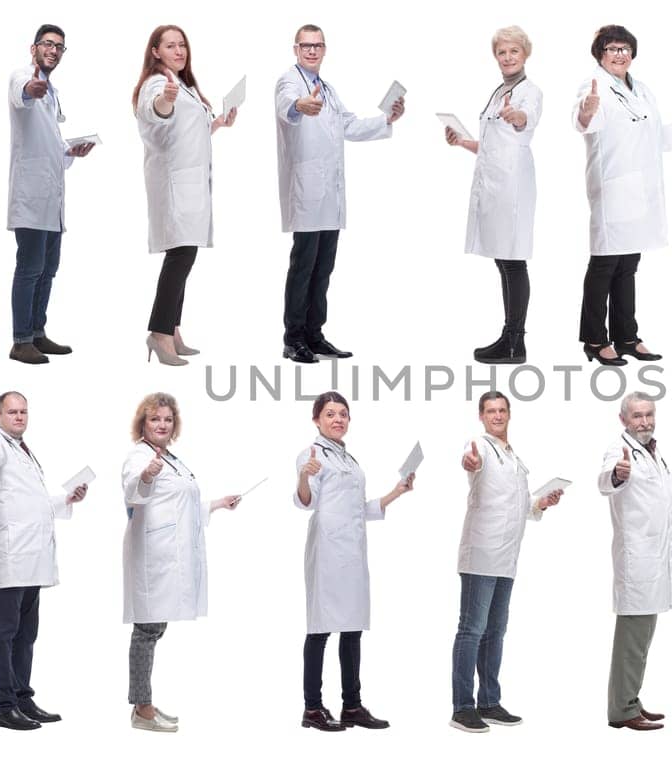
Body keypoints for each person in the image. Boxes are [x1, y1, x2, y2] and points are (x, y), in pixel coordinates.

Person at [275, 25, 404, 364]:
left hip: (329, 196)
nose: (312, 51)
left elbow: (348, 125)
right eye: (306, 46)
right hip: (306, 192)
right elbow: (287, 107)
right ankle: (293, 339)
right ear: (296, 49)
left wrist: (386, 118)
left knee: (323, 268)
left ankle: (315, 335)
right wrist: (300, 106)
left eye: (317, 46)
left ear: (324, 49)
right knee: (303, 266)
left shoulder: (328, 90)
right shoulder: (289, 82)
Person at [574, 25, 672, 366]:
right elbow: (584, 121)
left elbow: (652, 134)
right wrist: (587, 109)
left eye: (625, 48)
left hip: (640, 190)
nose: (620, 54)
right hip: (613, 187)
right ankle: (594, 340)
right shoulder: (592, 86)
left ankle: (627, 336)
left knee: (629, 265)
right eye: (613, 49)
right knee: (604, 265)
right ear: (600, 54)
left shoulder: (641, 89)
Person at [120, 392, 242, 731]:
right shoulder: (138, 457)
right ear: (142, 423)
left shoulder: (171, 457)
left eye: (167, 419)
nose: (162, 424)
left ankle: (145, 704)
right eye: (155, 419)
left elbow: (182, 504)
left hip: (168, 552)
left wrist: (217, 504)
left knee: (154, 628)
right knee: (146, 630)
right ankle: (141, 709)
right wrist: (145, 475)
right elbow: (132, 492)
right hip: (153, 555)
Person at [293, 391, 414, 730]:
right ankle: (312, 708)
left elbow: (360, 509)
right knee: (320, 629)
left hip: (353, 553)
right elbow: (306, 502)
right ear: (317, 419)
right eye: (330, 414)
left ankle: (352, 706)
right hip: (328, 552)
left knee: (352, 629)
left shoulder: (349, 459)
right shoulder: (313, 454)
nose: (338, 419)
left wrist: (398, 491)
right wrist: (303, 476)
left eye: (343, 414)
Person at [448, 391, 563, 733]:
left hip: (507, 558)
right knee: (471, 631)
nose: (497, 416)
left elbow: (520, 506)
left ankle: (489, 702)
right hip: (481, 555)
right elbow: (471, 464)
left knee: (495, 632)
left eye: (502, 410)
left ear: (509, 414)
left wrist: (542, 502)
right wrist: (470, 464)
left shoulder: (514, 457)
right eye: (490, 411)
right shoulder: (479, 446)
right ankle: (462, 707)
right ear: (481, 416)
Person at [597, 391, 672, 731]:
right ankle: (621, 710)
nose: (644, 421)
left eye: (648, 414)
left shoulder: (653, 452)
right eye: (637, 416)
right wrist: (617, 475)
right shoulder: (618, 451)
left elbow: (661, 500)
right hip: (638, 560)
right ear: (623, 420)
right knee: (632, 641)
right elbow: (605, 482)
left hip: (654, 558)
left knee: (641, 639)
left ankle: (630, 699)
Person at [0, 391, 89, 730]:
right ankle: (3, 706)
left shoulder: (24, 450)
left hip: (33, 556)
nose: (19, 417)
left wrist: (67, 498)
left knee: (27, 633)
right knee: (5, 631)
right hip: (12, 555)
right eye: (12, 412)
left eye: (23, 411)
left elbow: (33, 501)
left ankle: (23, 697)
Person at [134, 25, 238, 366]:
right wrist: (165, 99)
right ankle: (159, 333)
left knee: (185, 256)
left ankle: (173, 330)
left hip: (190, 183)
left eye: (182, 45)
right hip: (175, 185)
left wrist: (219, 123)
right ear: (155, 51)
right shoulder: (157, 85)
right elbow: (156, 112)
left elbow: (189, 130)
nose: (179, 51)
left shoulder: (187, 86)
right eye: (171, 46)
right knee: (179, 257)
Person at [445, 27, 541, 365]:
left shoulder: (529, 92)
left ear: (525, 53)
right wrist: (462, 142)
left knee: (513, 260)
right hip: (494, 183)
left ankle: (516, 341)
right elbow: (491, 146)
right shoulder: (500, 89)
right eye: (502, 52)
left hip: (513, 186)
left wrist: (516, 116)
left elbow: (523, 121)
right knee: (503, 260)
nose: (508, 57)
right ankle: (508, 336)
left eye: (514, 51)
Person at [6, 24, 95, 365]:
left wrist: (71, 151)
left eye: (59, 46)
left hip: (52, 201)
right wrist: (31, 88)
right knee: (29, 269)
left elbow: (49, 144)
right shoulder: (22, 77)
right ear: (34, 48)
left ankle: (38, 333)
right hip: (30, 198)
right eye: (48, 44)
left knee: (48, 269)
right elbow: (22, 92)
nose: (54, 50)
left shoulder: (53, 91)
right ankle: (20, 340)